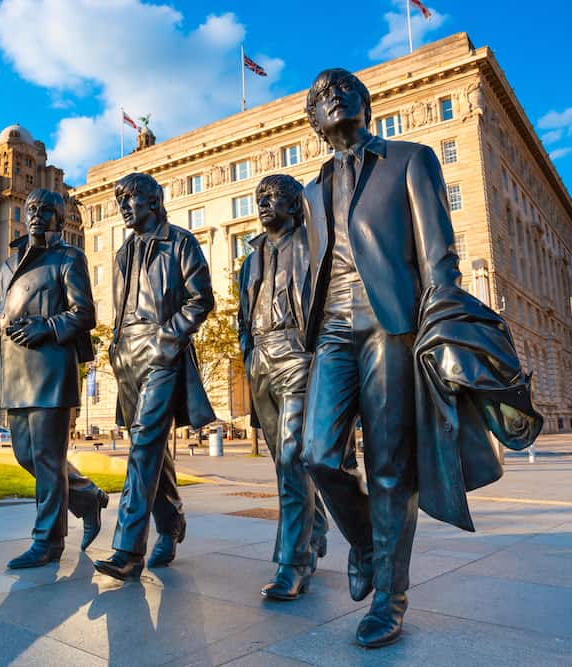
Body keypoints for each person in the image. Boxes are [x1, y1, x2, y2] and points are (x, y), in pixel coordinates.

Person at [300, 68, 540, 648]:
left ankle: (390, 594)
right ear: (312, 121)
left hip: (393, 323)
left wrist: (442, 324)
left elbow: (438, 255)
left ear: (366, 101)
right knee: (317, 454)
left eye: (343, 87)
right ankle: (364, 543)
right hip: (331, 328)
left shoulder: (409, 159)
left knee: (389, 466)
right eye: (319, 96)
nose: (332, 96)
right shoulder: (310, 190)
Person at [93, 172, 215, 581]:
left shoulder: (180, 241)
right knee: (152, 449)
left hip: (161, 350)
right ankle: (172, 519)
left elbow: (202, 299)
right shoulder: (123, 252)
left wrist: (168, 338)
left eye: (131, 198)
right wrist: (114, 346)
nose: (124, 206)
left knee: (143, 445)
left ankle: (127, 550)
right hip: (126, 355)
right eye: (119, 200)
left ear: (154, 200)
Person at [0, 188, 109, 569]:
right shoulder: (9, 263)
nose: (37, 215)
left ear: (59, 218)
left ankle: (48, 542)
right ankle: (88, 497)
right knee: (28, 455)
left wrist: (46, 326)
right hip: (14, 369)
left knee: (46, 457)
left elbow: (84, 313)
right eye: (31, 209)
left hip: (50, 369)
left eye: (46, 210)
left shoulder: (69, 257)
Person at [236, 174, 329, 601]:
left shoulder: (312, 243)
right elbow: (242, 313)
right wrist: (248, 351)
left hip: (297, 352)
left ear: (294, 204)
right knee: (284, 463)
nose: (264, 202)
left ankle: (292, 562)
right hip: (261, 358)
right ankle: (317, 524)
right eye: (260, 197)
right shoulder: (249, 258)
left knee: (292, 458)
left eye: (273, 196)